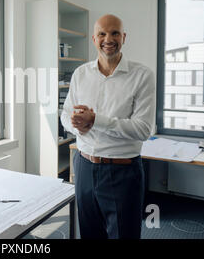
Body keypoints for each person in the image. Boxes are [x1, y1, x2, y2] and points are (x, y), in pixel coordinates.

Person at [60, 14, 155, 239]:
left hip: (122, 171)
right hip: (83, 167)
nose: (108, 39)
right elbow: (65, 115)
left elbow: (143, 130)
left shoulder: (142, 76)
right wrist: (76, 126)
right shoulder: (81, 74)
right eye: (102, 33)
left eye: (114, 33)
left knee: (124, 235)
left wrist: (96, 121)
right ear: (94, 38)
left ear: (124, 37)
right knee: (90, 233)